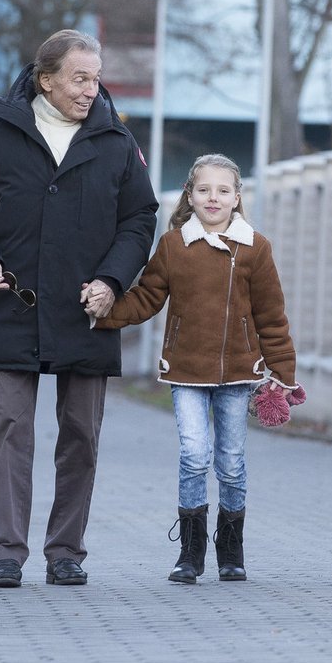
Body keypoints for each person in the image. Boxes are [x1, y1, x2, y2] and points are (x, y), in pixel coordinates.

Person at [0, 29, 158, 589]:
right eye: (79, 78)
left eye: (95, 78)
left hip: (87, 311)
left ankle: (66, 551)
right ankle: (6, 552)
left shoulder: (115, 142)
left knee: (81, 431)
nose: (90, 90)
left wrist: (111, 280)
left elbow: (139, 219)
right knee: (10, 426)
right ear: (45, 80)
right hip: (13, 303)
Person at [94, 153, 299, 584]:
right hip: (185, 371)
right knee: (193, 455)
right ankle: (190, 550)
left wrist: (283, 374)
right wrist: (105, 311)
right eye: (203, 189)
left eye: (223, 191)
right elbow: (147, 297)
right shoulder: (172, 246)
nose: (213, 198)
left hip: (239, 373)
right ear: (190, 194)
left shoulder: (255, 247)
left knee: (231, 461)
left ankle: (231, 548)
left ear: (237, 198)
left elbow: (271, 317)